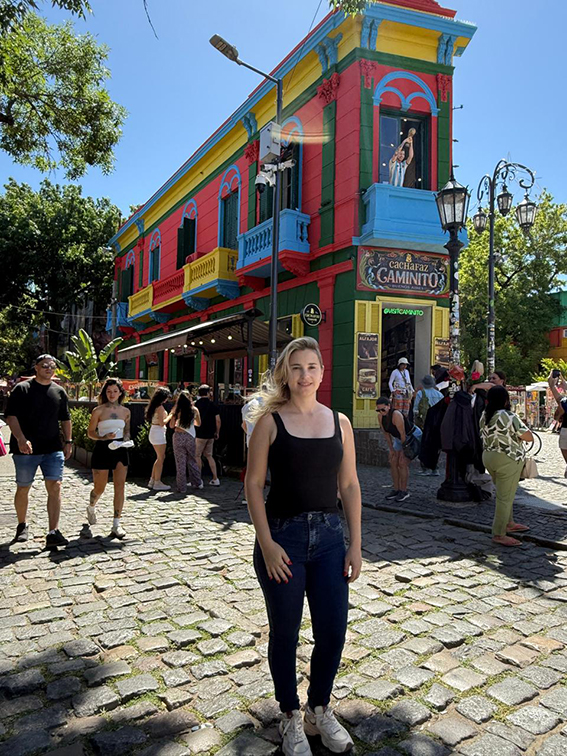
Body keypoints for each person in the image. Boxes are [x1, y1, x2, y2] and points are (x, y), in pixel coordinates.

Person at [245, 337, 361, 756]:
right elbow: (253, 485)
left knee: (333, 630)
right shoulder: (270, 422)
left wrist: (355, 544)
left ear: (322, 372)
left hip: (330, 540)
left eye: (312, 367)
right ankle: (290, 714)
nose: (304, 375)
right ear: (285, 373)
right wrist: (267, 544)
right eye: (296, 367)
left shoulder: (340, 423)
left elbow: (349, 485)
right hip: (283, 539)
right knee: (286, 633)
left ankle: (318, 708)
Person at [5, 354, 72, 547]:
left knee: (55, 486)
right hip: (26, 449)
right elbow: (11, 416)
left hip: (52, 448)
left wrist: (68, 441)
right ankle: (22, 525)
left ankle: (53, 531)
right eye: (44, 366)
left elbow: (65, 418)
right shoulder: (22, 389)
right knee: (23, 487)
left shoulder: (59, 391)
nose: (49, 369)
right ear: (36, 368)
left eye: (52, 366)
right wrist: (20, 438)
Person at [480, 385, 533, 547]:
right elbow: (528, 436)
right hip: (508, 458)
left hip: (489, 457)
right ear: (505, 400)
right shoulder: (508, 416)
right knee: (505, 498)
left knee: (504, 493)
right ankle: (499, 533)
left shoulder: (484, 415)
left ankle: (509, 523)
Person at [86, 378, 131, 539]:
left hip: (120, 449)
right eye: (109, 391)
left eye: (115, 391)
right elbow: (90, 432)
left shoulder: (126, 411)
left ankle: (116, 524)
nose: (112, 394)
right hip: (102, 448)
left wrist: (127, 439)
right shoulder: (98, 410)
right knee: (100, 488)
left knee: (120, 486)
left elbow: (127, 430)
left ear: (120, 393)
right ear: (105, 393)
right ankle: (91, 506)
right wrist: (103, 437)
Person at [376, 395, 421, 502]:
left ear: (389, 406)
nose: (381, 412)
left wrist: (404, 451)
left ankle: (403, 491)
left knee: (402, 463)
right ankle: (396, 489)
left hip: (411, 436)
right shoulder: (381, 417)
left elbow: (403, 434)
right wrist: (391, 450)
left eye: (383, 409)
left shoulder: (396, 415)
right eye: (378, 410)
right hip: (398, 438)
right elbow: (386, 434)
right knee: (393, 461)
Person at [167, 391, 202, 493]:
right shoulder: (194, 410)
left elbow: (171, 426)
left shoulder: (177, 411)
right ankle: (197, 482)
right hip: (190, 436)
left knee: (180, 463)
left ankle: (181, 487)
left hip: (178, 436)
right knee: (192, 460)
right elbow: (199, 423)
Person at [414, 375, 444, 476]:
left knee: (424, 444)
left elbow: (416, 409)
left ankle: (425, 468)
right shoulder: (439, 395)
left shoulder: (420, 393)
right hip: (437, 423)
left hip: (424, 422)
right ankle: (435, 468)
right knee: (435, 446)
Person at [195, 384, 221, 486]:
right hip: (210, 434)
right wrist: (217, 432)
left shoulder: (196, 404)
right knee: (209, 456)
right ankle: (215, 478)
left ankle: (198, 479)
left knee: (197, 455)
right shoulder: (213, 405)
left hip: (199, 433)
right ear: (208, 393)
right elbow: (218, 420)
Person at [146, 387, 171, 491]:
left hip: (154, 431)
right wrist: (170, 415)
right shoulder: (160, 407)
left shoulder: (153, 406)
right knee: (161, 458)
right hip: (158, 433)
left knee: (159, 458)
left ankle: (152, 480)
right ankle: (157, 482)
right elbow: (162, 423)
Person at [547, 372, 567, 475]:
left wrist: (552, 386)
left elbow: (557, 416)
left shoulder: (565, 402)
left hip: (566, 429)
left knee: (564, 448)